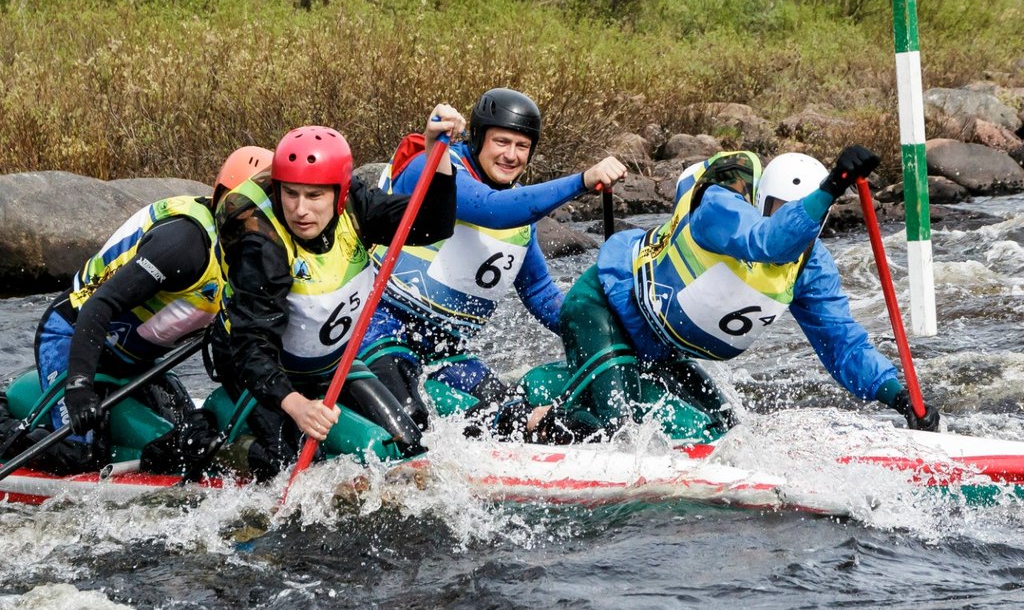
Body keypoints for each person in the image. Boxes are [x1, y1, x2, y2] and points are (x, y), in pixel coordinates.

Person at [495, 147, 941, 444]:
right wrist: (832, 185)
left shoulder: (812, 265)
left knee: (724, 432)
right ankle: (527, 412)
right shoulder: (720, 211)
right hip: (601, 310)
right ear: (761, 200)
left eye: (805, 215)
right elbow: (768, 240)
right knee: (623, 431)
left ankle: (565, 383)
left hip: (659, 348)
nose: (796, 224)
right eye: (780, 209)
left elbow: (843, 345)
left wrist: (899, 397)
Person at [210, 107, 461, 482]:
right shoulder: (260, 245)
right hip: (262, 371)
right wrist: (296, 406)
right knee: (282, 465)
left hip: (328, 364)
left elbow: (432, 225)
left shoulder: (357, 206)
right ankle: (222, 432)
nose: (299, 209)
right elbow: (251, 347)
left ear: (340, 194)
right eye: (290, 194)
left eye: (314, 196)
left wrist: (434, 153)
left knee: (405, 443)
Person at [358, 88, 627, 429]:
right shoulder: (432, 167)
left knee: (514, 416)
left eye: (522, 146)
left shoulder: (520, 214)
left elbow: (539, 292)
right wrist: (582, 181)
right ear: (478, 139)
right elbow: (491, 209)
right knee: (409, 419)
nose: (511, 155)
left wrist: (598, 326)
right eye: (501, 142)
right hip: (378, 330)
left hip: (446, 349)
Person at [0, 146, 273, 475]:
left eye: (262, 210)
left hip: (136, 361)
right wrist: (79, 386)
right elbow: (99, 304)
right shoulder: (184, 246)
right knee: (80, 455)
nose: (251, 219)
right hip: (73, 336)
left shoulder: (260, 255)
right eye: (242, 205)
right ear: (219, 198)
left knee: (184, 437)